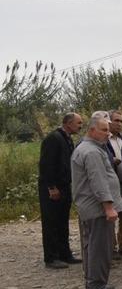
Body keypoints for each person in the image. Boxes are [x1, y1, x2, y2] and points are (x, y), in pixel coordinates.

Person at [71, 115, 122, 289]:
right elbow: (99, 182)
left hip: (90, 207)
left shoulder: (90, 148)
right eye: (104, 130)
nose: (108, 133)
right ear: (92, 130)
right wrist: (108, 207)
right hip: (97, 208)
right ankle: (96, 287)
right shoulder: (91, 152)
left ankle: (96, 282)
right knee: (99, 247)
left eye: (108, 130)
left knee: (91, 245)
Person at [38, 112, 84, 269]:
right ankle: (51, 258)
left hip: (64, 186)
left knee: (62, 221)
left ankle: (65, 253)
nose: (80, 126)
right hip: (52, 188)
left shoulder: (66, 138)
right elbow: (46, 165)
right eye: (78, 123)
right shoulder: (53, 138)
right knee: (51, 222)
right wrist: (51, 187)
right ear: (68, 123)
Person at [105, 110, 122, 259]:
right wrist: (111, 161)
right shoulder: (103, 140)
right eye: (116, 120)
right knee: (111, 217)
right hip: (110, 185)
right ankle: (111, 248)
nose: (119, 124)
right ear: (108, 121)